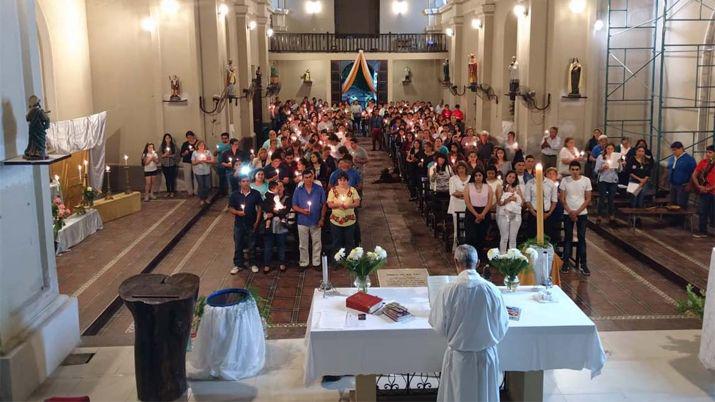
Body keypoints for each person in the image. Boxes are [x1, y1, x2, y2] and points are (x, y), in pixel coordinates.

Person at [428, 245, 508, 402]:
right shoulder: (492, 290)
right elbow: (501, 327)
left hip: (459, 359)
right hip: (485, 358)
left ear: (455, 261)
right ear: (477, 263)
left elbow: (439, 326)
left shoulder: (447, 290)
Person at [559, 161, 592, 275]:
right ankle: (566, 263)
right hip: (568, 212)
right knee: (568, 238)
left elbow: (588, 198)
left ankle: (583, 264)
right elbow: (562, 198)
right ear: (569, 170)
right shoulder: (565, 180)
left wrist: (577, 212)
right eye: (572, 169)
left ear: (580, 170)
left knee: (581, 238)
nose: (574, 171)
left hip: (581, 213)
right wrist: (570, 211)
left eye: (576, 169)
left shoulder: (586, 180)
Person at [228, 173, 262, 274]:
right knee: (238, 244)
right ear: (239, 183)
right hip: (239, 223)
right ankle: (238, 264)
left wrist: (257, 221)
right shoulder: (235, 194)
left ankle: (252, 263)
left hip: (251, 222)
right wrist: (238, 212)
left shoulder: (255, 193)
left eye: (247, 181)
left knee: (252, 244)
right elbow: (230, 207)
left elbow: (259, 208)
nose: (246, 183)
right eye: (243, 181)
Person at [292, 170, 327, 268]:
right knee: (303, 244)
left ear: (313, 177)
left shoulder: (319, 189)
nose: (308, 179)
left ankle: (316, 262)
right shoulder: (298, 190)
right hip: (302, 220)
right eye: (306, 177)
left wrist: (322, 218)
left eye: (310, 177)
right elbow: (294, 205)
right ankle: (304, 262)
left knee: (317, 242)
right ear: (303, 178)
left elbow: (324, 204)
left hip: (315, 219)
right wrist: (302, 211)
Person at [462, 169, 494, 263]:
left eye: (480, 175)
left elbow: (489, 202)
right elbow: (467, 202)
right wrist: (476, 215)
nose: (478, 177)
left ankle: (479, 258)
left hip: (484, 212)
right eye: (476, 175)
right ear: (473, 177)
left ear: (483, 176)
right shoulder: (468, 186)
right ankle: (469, 259)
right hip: (471, 213)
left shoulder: (488, 187)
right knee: (471, 236)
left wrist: (482, 214)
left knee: (481, 236)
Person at [327, 171, 361, 253]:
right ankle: (337, 260)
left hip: (349, 221)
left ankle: (350, 260)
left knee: (349, 241)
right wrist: (338, 204)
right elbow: (329, 204)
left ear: (347, 181)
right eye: (340, 180)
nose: (342, 182)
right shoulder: (333, 190)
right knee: (336, 241)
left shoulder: (352, 190)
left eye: (344, 180)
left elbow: (357, 202)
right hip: (336, 221)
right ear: (337, 181)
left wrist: (348, 206)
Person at [262, 181, 290, 273]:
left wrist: (274, 212)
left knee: (281, 245)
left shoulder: (287, 198)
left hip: (281, 226)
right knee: (268, 245)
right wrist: (273, 211)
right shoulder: (269, 198)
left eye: (280, 187)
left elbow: (285, 210)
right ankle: (267, 264)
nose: (279, 189)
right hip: (269, 227)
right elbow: (265, 207)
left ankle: (282, 263)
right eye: (277, 187)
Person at [495, 171, 524, 253]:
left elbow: (522, 202)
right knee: (504, 238)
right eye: (510, 176)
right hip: (504, 214)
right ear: (506, 177)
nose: (511, 179)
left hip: (516, 214)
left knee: (513, 238)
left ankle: (512, 257)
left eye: (513, 177)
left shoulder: (517, 188)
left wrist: (517, 200)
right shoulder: (500, 187)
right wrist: (509, 199)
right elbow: (499, 202)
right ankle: (503, 257)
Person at [692, 145, 715, 238]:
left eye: (710, 152)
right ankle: (702, 231)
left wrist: (709, 189)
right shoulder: (703, 162)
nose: (708, 154)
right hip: (703, 191)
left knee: (713, 213)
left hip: (713, 192)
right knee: (702, 211)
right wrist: (698, 186)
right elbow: (694, 175)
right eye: (707, 152)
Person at [595, 143, 620, 223]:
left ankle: (611, 216)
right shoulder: (601, 157)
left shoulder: (616, 158)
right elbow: (596, 170)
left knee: (611, 199)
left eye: (611, 149)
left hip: (613, 180)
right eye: (608, 148)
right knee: (602, 198)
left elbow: (620, 170)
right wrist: (603, 168)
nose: (610, 150)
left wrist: (618, 164)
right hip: (603, 179)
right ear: (606, 149)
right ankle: (599, 216)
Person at [448, 162, 470, 250]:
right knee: (457, 227)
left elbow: (471, 192)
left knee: (466, 226)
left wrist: (462, 194)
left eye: (463, 168)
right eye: (459, 168)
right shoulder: (453, 179)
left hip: (467, 205)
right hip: (456, 204)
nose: (461, 170)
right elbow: (453, 192)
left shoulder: (470, 178)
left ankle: (466, 245)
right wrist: (464, 194)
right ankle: (456, 245)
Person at [667, 141, 696, 209]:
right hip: (672, 184)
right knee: (672, 202)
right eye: (672, 150)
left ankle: (680, 219)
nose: (673, 152)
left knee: (681, 204)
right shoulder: (671, 158)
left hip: (683, 185)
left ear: (681, 149)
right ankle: (672, 218)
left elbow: (694, 173)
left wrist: (690, 184)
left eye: (675, 150)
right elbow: (668, 169)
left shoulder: (689, 159)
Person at [191, 141, 214, 205]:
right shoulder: (195, 153)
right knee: (201, 185)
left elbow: (212, 160)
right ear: (197, 146)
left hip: (206, 171)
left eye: (202, 145)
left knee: (207, 185)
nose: (201, 147)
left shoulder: (207, 152)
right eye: (200, 145)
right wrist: (198, 161)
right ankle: (201, 198)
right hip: (198, 172)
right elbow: (193, 162)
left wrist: (206, 160)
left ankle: (206, 197)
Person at [159, 133, 179, 197]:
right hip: (165, 164)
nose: (167, 139)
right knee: (167, 178)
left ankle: (172, 191)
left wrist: (170, 155)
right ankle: (168, 191)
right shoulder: (162, 146)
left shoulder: (173, 146)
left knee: (172, 178)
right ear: (164, 139)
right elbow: (159, 155)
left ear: (170, 139)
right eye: (166, 138)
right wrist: (164, 155)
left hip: (172, 164)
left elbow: (176, 154)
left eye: (169, 138)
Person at [180, 131, 198, 195]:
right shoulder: (185, 144)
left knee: (196, 176)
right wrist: (185, 153)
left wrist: (195, 151)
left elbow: (202, 150)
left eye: (190, 137)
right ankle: (190, 191)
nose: (189, 138)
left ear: (193, 136)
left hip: (196, 161)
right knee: (187, 176)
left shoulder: (197, 142)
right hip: (187, 161)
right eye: (188, 137)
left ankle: (196, 191)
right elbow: (181, 154)